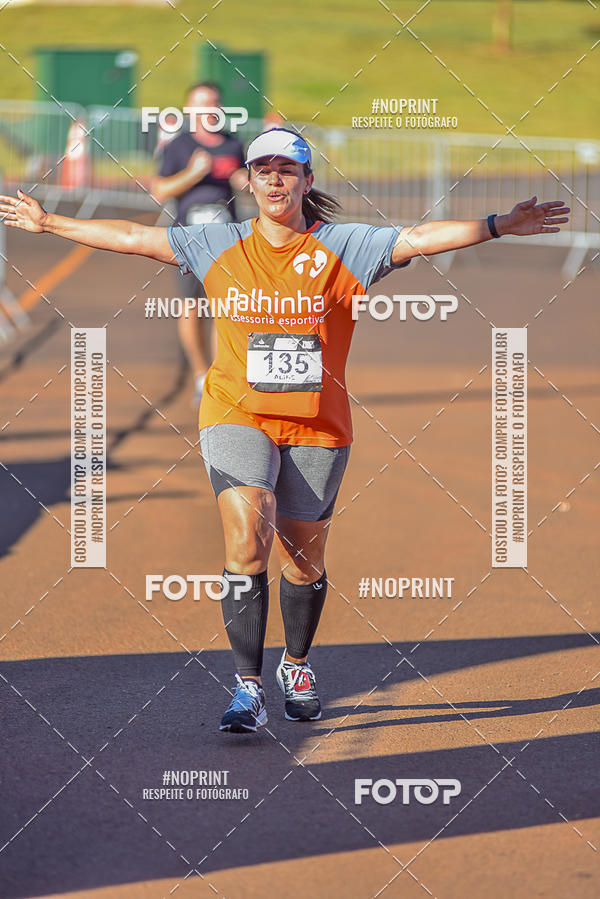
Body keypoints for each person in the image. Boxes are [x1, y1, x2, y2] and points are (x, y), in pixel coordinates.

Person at [0, 129, 570, 734]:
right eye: (263, 170)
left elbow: (422, 238)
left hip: (319, 426)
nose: (275, 180)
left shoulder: (346, 246)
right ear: (247, 180)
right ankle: (247, 686)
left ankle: (296, 665)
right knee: (250, 533)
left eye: (287, 170)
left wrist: (497, 224)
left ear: (307, 180)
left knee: (303, 555)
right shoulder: (215, 243)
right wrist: (49, 222)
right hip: (234, 412)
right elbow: (136, 238)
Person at [151, 81, 246, 406]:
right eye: (201, 105)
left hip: (227, 240)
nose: (208, 111)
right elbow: (160, 191)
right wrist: (193, 173)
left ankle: (221, 378)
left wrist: (244, 183)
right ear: (190, 110)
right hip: (188, 240)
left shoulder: (234, 146)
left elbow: (251, 187)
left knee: (224, 309)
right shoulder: (178, 146)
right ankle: (199, 375)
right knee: (192, 308)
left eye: (214, 104)